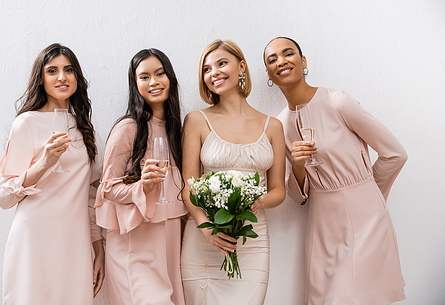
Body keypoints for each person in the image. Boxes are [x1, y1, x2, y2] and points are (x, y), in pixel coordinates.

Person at [264, 36, 407, 305]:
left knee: (359, 297)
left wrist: (368, 193)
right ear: (269, 74)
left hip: (366, 219)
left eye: (288, 53)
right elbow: (299, 197)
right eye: (272, 59)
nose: (281, 61)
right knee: (326, 298)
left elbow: (395, 154)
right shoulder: (280, 126)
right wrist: (297, 165)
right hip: (322, 225)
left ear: (303, 61)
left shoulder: (337, 101)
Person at [0, 43, 105, 305]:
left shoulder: (84, 129)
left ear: (77, 77)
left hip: (74, 242)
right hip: (34, 239)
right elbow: (3, 197)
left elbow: (91, 196)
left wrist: (98, 248)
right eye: (52, 70)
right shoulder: (27, 123)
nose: (61, 77)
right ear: (41, 79)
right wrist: (44, 163)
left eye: (68, 70)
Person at [181, 39, 286, 305]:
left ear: (241, 66)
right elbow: (188, 186)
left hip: (253, 241)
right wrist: (208, 230)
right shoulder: (196, 120)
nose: (213, 72)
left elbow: (279, 191)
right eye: (206, 69)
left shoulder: (272, 126)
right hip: (203, 241)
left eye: (221, 63)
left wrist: (255, 201)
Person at [94, 48, 187, 305]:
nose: (154, 82)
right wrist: (141, 187)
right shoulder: (128, 128)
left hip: (167, 238)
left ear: (170, 78)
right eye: (144, 77)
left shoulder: (175, 131)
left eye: (160, 74)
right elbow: (107, 189)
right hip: (134, 242)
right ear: (135, 85)